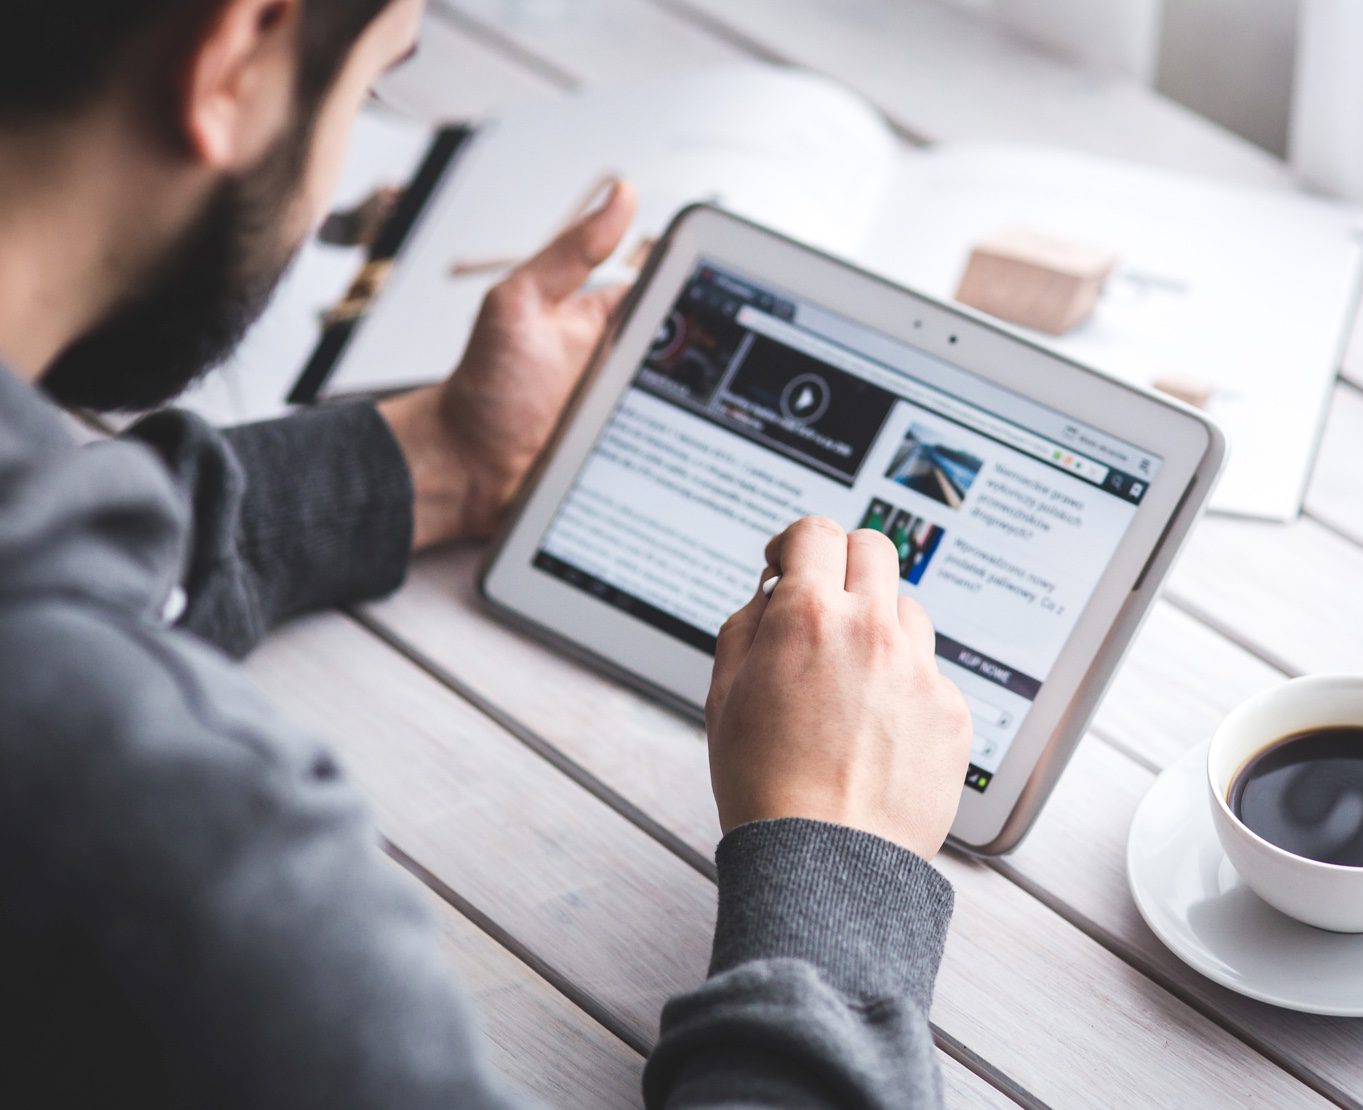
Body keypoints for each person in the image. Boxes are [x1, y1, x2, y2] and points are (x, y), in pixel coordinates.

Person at [0, 1, 974, 1106]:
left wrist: (435, 459)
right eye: (369, 86)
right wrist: (835, 862)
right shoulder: (181, 858)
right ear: (234, 57)